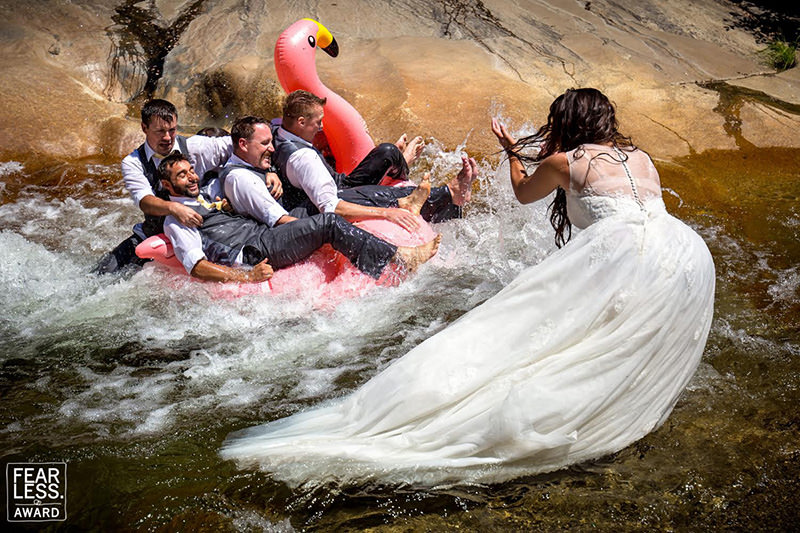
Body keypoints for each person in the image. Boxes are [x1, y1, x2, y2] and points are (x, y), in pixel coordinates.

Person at [220, 88, 716, 487]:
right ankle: (616, 404)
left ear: (566, 124)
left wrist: (510, 151)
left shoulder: (568, 162)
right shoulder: (641, 156)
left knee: (524, 330)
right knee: (613, 336)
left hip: (624, 249)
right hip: (683, 250)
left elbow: (523, 193)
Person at [158, 151, 440, 282]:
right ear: (168, 187)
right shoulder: (176, 218)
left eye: (190, 170)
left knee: (317, 204)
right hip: (260, 249)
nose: (191, 177)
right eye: (182, 176)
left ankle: (403, 200)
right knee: (328, 222)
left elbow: (234, 165)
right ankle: (400, 258)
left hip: (267, 232)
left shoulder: (206, 191)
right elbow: (196, 265)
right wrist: (245, 277)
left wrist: (268, 171)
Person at [94, 99, 280, 274]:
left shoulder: (195, 147)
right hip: (157, 231)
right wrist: (174, 208)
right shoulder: (133, 162)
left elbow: (248, 143)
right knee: (102, 273)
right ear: (144, 127)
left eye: (172, 130)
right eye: (160, 131)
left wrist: (267, 169)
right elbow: (145, 201)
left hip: (205, 230)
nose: (168, 138)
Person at [272, 90, 477, 227]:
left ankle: (403, 164)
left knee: (387, 152)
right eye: (318, 122)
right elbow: (330, 206)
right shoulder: (304, 158)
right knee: (385, 195)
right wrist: (385, 213)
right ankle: (450, 194)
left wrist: (268, 174)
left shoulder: (276, 131)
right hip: (325, 201)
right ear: (300, 122)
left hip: (337, 182)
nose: (322, 127)